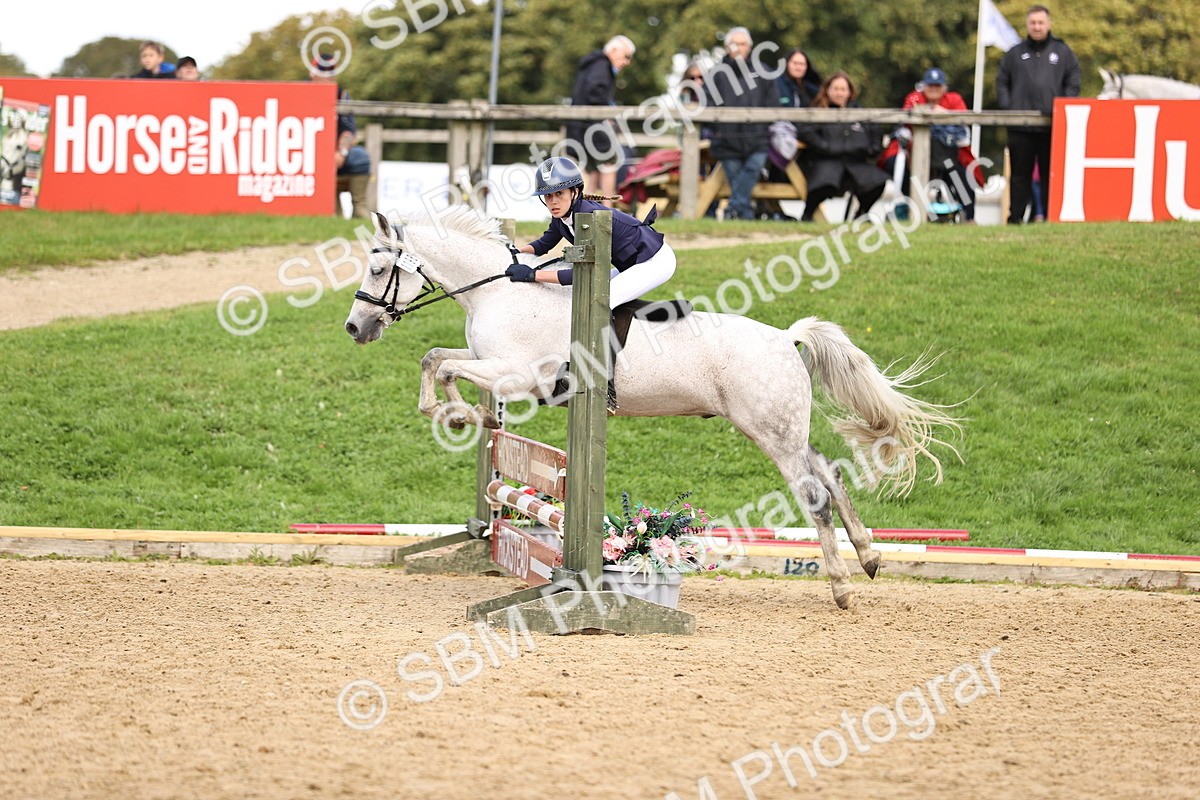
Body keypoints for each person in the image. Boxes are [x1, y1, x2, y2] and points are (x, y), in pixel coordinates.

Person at [508, 156, 675, 411]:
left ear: (575, 192)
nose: (552, 202)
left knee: (600, 301)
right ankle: (649, 311)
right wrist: (513, 252)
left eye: (558, 194)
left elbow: (580, 275)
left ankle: (605, 387)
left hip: (654, 261)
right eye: (548, 196)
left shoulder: (589, 216)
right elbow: (543, 244)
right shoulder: (564, 215)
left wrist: (533, 275)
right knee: (603, 293)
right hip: (630, 263)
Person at [996, 4, 1080, 223]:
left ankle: (1050, 218)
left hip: (1051, 126)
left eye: (1041, 22)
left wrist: (1062, 108)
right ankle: (1015, 219)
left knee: (1049, 175)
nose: (1037, 27)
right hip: (1020, 127)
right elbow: (1002, 82)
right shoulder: (1015, 53)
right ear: (1027, 25)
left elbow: (1073, 83)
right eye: (1033, 22)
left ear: (1048, 24)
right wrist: (1009, 107)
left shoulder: (1063, 52)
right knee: (1019, 176)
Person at [878, 68, 983, 221]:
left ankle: (969, 218)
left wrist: (943, 114)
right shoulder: (914, 97)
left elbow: (962, 125)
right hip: (914, 157)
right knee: (895, 165)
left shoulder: (954, 99)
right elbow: (907, 119)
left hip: (947, 157)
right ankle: (916, 210)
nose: (933, 89)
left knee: (963, 175)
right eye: (930, 85)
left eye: (937, 86)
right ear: (923, 86)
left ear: (944, 87)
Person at [705, 27, 780, 220]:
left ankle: (733, 209)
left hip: (758, 138)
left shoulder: (764, 72)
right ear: (726, 46)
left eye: (743, 44)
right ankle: (744, 214)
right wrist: (718, 130)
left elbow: (773, 103)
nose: (738, 48)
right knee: (737, 177)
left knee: (753, 169)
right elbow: (708, 105)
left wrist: (764, 126)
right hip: (727, 140)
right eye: (734, 43)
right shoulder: (716, 74)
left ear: (750, 47)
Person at [795, 71, 888, 222]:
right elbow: (804, 130)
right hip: (825, 161)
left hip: (855, 162)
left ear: (850, 92)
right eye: (835, 89)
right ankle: (807, 214)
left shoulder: (860, 112)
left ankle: (861, 215)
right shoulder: (817, 111)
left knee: (877, 182)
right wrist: (824, 146)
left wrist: (873, 148)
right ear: (827, 90)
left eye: (843, 89)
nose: (839, 93)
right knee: (824, 183)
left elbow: (875, 130)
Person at [564, 35, 636, 207]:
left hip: (580, 125)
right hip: (592, 125)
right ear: (613, 50)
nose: (627, 62)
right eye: (626, 56)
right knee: (609, 162)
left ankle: (586, 210)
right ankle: (606, 208)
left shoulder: (592, 63)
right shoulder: (602, 65)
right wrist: (607, 112)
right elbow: (594, 91)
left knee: (592, 169)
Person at [309, 57, 372, 220]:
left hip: (334, 153)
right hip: (306, 154)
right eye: (322, 72)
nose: (327, 77)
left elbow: (348, 128)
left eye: (330, 72)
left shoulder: (342, 94)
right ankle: (333, 213)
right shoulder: (300, 90)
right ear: (312, 72)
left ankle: (359, 209)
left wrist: (341, 152)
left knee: (360, 156)